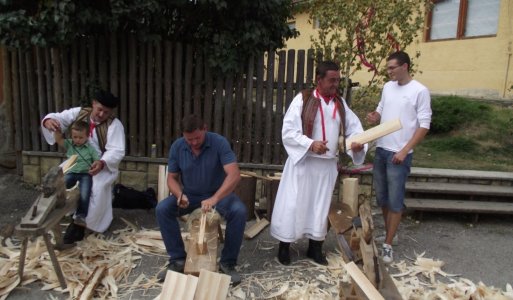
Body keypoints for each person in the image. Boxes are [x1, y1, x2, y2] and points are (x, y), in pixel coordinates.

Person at [270, 61, 368, 266]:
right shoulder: (303, 99)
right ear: (319, 79)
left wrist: (356, 145)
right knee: (294, 203)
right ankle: (284, 248)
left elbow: (355, 129)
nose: (335, 84)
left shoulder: (340, 104)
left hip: (326, 167)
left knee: (320, 207)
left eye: (338, 80)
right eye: (331, 80)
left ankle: (315, 248)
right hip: (303, 164)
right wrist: (310, 144)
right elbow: (288, 132)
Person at [156, 115, 246, 285]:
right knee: (162, 209)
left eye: (197, 137)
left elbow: (234, 175)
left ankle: (228, 263)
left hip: (218, 195)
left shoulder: (219, 143)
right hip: (190, 196)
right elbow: (171, 178)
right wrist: (179, 195)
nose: (193, 142)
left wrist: (215, 198)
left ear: (205, 128)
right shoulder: (177, 147)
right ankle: (178, 260)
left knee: (239, 211)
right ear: (183, 135)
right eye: (189, 139)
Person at [367, 51, 432, 264]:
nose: (389, 72)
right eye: (388, 68)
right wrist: (374, 116)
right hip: (382, 150)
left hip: (400, 154)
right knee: (383, 198)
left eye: (392, 68)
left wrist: (404, 151)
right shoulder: (387, 87)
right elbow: (381, 110)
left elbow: (424, 125)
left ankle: (387, 245)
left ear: (404, 66)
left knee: (395, 201)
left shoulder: (420, 91)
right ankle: (390, 235)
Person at [41, 90, 125, 243]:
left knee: (96, 188)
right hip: (75, 162)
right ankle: (55, 213)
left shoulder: (115, 125)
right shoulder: (79, 113)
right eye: (99, 109)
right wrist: (49, 121)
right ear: (93, 103)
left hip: (100, 166)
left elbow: (116, 150)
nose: (101, 114)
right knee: (58, 179)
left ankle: (85, 225)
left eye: (106, 112)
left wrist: (101, 162)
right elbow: (58, 118)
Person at [54, 120, 100, 226]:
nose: (77, 140)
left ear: (87, 136)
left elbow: (97, 160)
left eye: (80, 137)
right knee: (61, 187)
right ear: (72, 136)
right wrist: (57, 130)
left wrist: (96, 163)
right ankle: (57, 208)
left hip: (85, 174)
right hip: (71, 172)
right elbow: (59, 139)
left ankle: (81, 215)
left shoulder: (90, 148)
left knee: (85, 193)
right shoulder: (69, 144)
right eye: (75, 137)